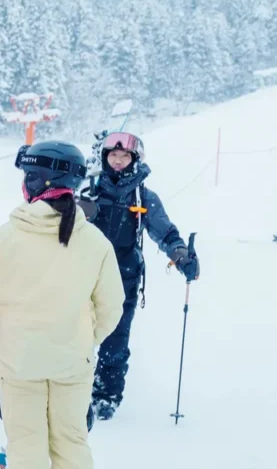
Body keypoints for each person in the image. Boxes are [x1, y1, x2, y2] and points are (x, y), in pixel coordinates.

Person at [0, 141, 125, 469]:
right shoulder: (95, 242)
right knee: (72, 444)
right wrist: (82, 339)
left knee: (27, 448)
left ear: (38, 183)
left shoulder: (5, 238)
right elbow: (111, 306)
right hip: (73, 363)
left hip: (20, 364)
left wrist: (7, 338)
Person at [78, 133, 199, 420]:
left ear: (135, 160)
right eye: (113, 156)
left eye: (124, 157)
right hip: (82, 276)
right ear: (105, 158)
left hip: (124, 278)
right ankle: (67, 389)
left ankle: (106, 395)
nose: (118, 161)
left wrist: (181, 255)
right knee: (73, 335)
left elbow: (165, 232)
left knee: (115, 340)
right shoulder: (88, 191)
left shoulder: (143, 196)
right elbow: (59, 226)